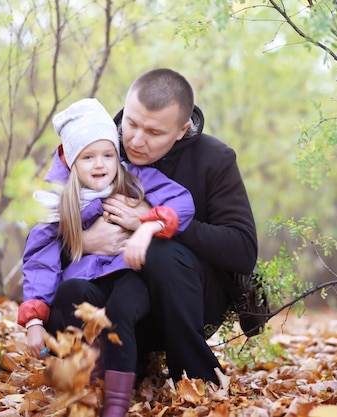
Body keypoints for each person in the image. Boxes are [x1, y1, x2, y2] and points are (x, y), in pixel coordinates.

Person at [77, 68, 268, 385]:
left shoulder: (214, 159)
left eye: (153, 133)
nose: (136, 140)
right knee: (72, 284)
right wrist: (83, 241)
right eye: (132, 123)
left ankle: (196, 379)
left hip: (191, 302)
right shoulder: (98, 150)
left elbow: (243, 250)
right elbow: (43, 231)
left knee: (161, 251)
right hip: (113, 296)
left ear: (181, 130)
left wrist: (153, 220)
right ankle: (107, 369)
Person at [17, 98, 195, 417]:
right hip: (90, 283)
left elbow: (182, 201)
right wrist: (32, 321)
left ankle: (115, 405)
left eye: (107, 155)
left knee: (119, 312)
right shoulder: (60, 203)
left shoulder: (133, 179)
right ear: (72, 161)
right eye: (88, 157)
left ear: (117, 155)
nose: (99, 165)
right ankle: (94, 373)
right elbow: (40, 261)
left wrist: (148, 225)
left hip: (133, 275)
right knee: (70, 292)